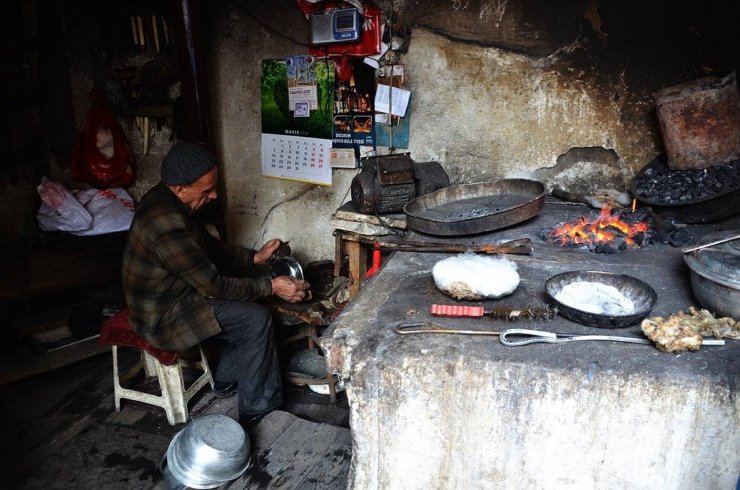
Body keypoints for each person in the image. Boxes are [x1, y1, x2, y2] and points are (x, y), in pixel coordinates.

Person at [121, 142, 310, 427]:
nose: (215, 195)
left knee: (252, 295)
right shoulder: (166, 226)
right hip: (161, 317)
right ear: (180, 188)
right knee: (256, 319)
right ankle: (258, 409)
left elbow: (208, 247)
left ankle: (226, 379)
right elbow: (215, 287)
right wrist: (272, 287)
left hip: (177, 293)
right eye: (206, 190)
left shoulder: (169, 200)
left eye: (214, 186)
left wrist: (255, 258)